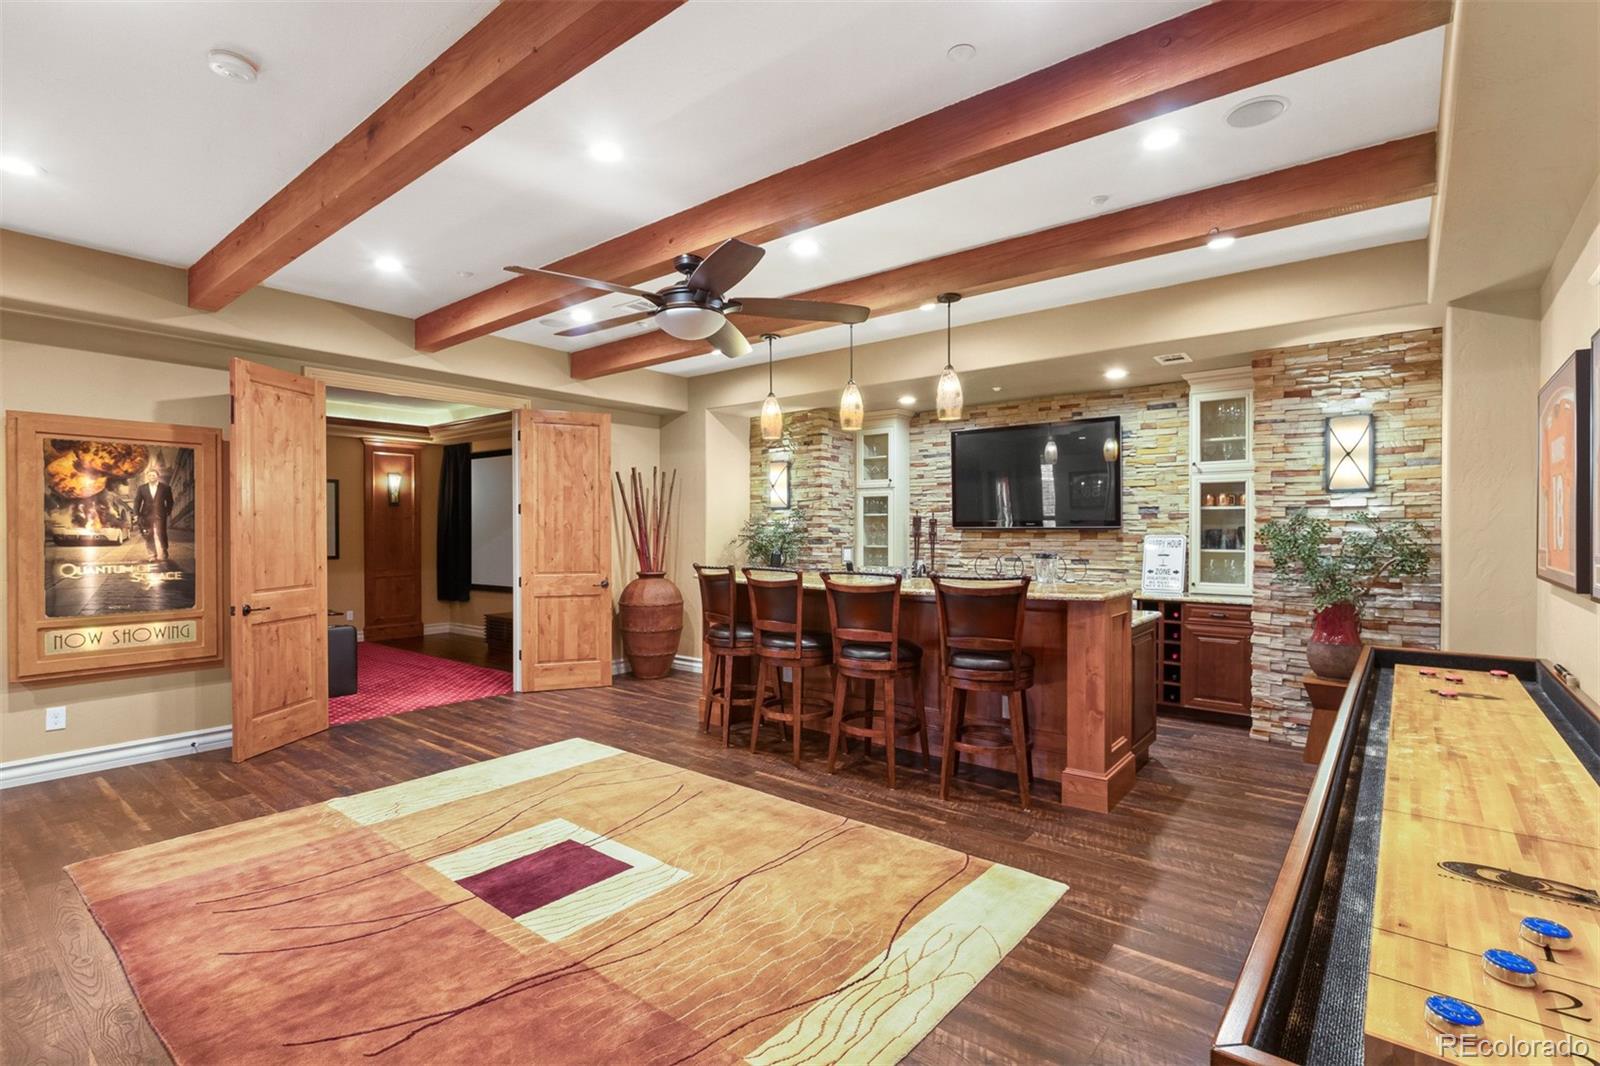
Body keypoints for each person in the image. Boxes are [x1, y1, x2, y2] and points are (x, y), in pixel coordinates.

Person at [133, 467, 174, 563]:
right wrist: (136, 514)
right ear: (147, 477)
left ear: (158, 477)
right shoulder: (142, 488)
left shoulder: (165, 488)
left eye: (153, 475)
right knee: (148, 534)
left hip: (160, 514)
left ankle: (164, 551)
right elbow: (137, 502)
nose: (151, 477)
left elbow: (170, 501)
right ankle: (152, 555)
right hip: (146, 515)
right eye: (150, 475)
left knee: (162, 533)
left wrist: (168, 511)